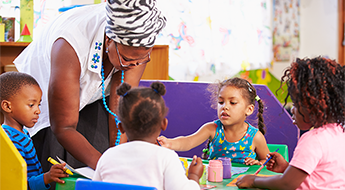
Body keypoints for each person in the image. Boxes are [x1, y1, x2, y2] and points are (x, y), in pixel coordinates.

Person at [13, 0, 166, 172]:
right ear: (109, 40)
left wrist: (117, 159)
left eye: (142, 59)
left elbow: (119, 110)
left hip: (96, 86)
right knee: (58, 159)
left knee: (101, 145)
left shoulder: (137, 45)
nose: (135, 65)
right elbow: (63, 127)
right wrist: (105, 166)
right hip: (51, 91)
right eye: (127, 59)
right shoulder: (70, 45)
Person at [236, 57, 345, 189]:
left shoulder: (313, 140)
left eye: (296, 104)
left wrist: (253, 180)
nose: (292, 109)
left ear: (312, 106)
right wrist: (287, 168)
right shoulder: (339, 132)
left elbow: (287, 183)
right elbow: (320, 177)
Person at [93, 82, 204, 190]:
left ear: (121, 127)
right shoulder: (166, 158)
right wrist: (194, 176)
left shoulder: (107, 156)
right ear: (164, 124)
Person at [157, 77, 269, 165]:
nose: (225, 107)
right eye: (221, 102)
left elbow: (267, 161)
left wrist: (258, 163)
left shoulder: (255, 137)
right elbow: (188, 141)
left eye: (233, 103)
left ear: (249, 109)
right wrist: (170, 143)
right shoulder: (212, 129)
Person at [0, 72, 69, 190]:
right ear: (7, 106)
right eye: (31, 105)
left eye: (39, 104)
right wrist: (47, 177)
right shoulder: (10, 141)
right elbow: (18, 183)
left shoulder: (22, 134)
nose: (38, 111)